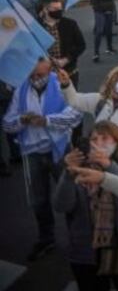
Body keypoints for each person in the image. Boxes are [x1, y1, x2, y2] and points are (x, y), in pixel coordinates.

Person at [54, 122, 118, 291]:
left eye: (104, 138)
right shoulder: (79, 164)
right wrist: (68, 174)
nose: (97, 143)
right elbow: (61, 206)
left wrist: (109, 165)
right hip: (86, 250)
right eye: (93, 139)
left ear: (117, 142)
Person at [2, 59, 83, 260]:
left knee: (71, 197)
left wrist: (47, 121)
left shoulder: (62, 83)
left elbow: (76, 115)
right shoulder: (21, 89)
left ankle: (78, 238)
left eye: (40, 75)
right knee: (38, 201)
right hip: (32, 152)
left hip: (60, 151)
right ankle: (47, 239)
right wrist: (22, 120)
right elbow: (7, 124)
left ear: (49, 67)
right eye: (32, 75)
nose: (36, 79)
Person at [57, 65, 118, 176]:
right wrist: (66, 84)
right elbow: (74, 101)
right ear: (114, 80)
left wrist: (111, 141)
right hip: (101, 159)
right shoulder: (100, 101)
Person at [37, 0, 86, 88]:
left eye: (60, 8)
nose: (59, 11)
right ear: (45, 9)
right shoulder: (37, 27)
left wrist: (66, 59)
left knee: (70, 96)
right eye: (55, 9)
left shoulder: (70, 24)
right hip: (45, 75)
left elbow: (81, 45)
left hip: (69, 72)